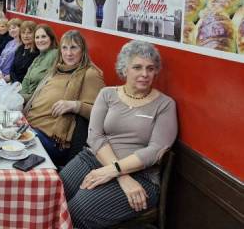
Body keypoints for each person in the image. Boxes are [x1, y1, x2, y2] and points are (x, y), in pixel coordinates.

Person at [60, 40, 178, 229]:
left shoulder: (165, 104)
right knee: (56, 193)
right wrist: (119, 174)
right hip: (94, 159)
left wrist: (113, 170)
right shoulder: (107, 94)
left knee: (79, 210)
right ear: (125, 69)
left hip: (141, 177)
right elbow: (95, 136)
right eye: (137, 67)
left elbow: (156, 150)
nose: (145, 74)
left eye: (150, 68)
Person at [25, 30, 104, 165]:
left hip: (53, 141)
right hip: (29, 126)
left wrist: (75, 105)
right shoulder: (57, 70)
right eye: (64, 48)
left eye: (74, 47)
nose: (69, 53)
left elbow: (102, 113)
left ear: (83, 50)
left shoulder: (90, 74)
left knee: (11, 143)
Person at [21, 24, 59, 98]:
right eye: (37, 37)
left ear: (51, 38)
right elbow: (26, 79)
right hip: (25, 99)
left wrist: (22, 98)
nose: (40, 40)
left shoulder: (55, 54)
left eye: (43, 36)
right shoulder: (38, 57)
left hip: (36, 102)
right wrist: (21, 96)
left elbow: (44, 89)